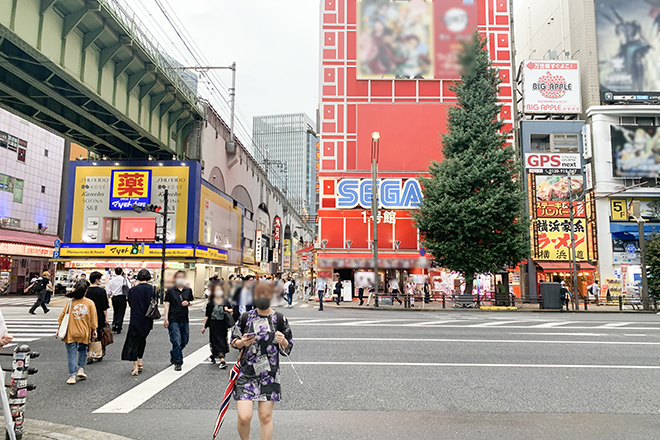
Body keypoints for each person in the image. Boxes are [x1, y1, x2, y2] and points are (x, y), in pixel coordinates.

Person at [231, 282, 294, 440]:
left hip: (269, 375)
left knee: (265, 417)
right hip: (246, 373)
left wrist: (283, 341)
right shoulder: (246, 317)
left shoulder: (279, 318)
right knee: (244, 417)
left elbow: (289, 347)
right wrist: (242, 343)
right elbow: (233, 341)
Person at [57, 281, 98, 384]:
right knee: (83, 350)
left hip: (71, 332)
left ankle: (72, 376)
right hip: (84, 331)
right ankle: (81, 369)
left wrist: (58, 329)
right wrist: (94, 330)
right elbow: (93, 319)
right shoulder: (90, 303)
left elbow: (62, 317)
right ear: (85, 291)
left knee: (71, 353)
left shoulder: (70, 303)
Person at [121, 269, 156, 376]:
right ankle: (140, 360)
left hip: (135, 318)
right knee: (142, 339)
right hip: (147, 319)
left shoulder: (132, 290)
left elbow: (130, 303)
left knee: (133, 341)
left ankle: (135, 365)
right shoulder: (153, 289)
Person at [164, 270, 194, 371]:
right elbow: (167, 304)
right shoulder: (170, 291)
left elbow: (192, 301)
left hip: (184, 319)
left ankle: (174, 353)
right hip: (173, 319)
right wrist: (165, 318)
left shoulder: (188, 290)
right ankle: (178, 362)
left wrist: (188, 303)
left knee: (184, 341)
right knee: (176, 340)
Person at [202, 281, 232, 369]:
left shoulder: (225, 300)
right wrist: (203, 326)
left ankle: (213, 355)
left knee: (222, 340)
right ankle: (222, 359)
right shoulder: (211, 302)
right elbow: (207, 315)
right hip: (213, 324)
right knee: (215, 340)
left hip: (222, 324)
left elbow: (231, 310)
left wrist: (227, 309)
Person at [85, 271, 109, 363]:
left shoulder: (86, 290)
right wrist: (106, 317)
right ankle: (98, 353)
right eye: (100, 279)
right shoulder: (102, 291)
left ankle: (89, 355)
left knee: (89, 335)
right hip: (99, 315)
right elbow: (104, 306)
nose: (100, 281)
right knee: (99, 334)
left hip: (88, 316)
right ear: (96, 280)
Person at [107, 268, 129, 333]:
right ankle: (119, 326)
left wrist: (107, 298)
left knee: (115, 311)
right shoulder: (124, 280)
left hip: (114, 297)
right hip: (122, 297)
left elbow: (109, 291)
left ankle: (114, 323)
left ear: (115, 272)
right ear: (122, 272)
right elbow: (129, 287)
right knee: (121, 312)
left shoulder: (112, 280)